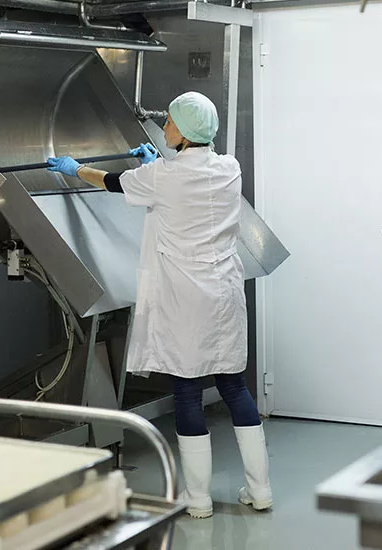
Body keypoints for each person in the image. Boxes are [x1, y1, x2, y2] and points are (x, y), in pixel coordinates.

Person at [46, 91, 272, 519]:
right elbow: (184, 186)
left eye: (168, 122)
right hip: (223, 294)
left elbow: (113, 182)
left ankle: (199, 499)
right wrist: (155, 163)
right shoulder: (229, 169)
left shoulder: (163, 178)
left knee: (187, 392)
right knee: (233, 387)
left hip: (184, 298)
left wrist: (76, 169)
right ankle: (261, 491)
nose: (163, 127)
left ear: (184, 133)